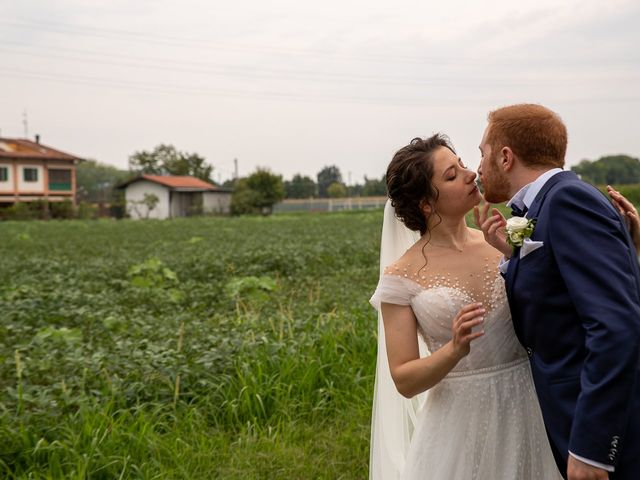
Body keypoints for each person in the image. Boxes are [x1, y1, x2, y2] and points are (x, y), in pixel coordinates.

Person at [369, 134, 563, 479]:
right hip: (457, 429)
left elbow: (560, 292)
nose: (469, 174)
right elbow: (404, 380)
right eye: (451, 175)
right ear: (427, 204)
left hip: (532, 407)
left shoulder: (504, 236)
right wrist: (454, 350)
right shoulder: (401, 277)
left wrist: (510, 252)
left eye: (461, 165)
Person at [475, 103, 640, 480]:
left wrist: (592, 448)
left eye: (481, 153)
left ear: (505, 157)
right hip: (569, 416)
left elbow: (615, 325)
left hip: (602, 432)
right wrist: (512, 255)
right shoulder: (546, 206)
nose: (478, 168)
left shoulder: (568, 201)